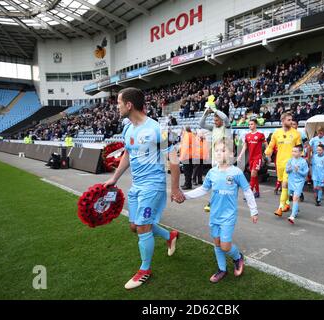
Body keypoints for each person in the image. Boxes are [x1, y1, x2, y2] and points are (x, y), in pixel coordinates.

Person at [104, 87, 184, 289]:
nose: (117, 107)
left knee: (142, 227)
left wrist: (175, 189)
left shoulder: (157, 129)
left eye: (119, 103)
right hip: (136, 185)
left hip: (153, 185)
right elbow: (128, 154)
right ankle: (170, 236)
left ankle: (145, 270)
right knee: (134, 226)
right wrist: (114, 178)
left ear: (129, 105)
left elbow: (173, 160)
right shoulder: (127, 129)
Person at [183, 138, 258, 283]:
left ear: (231, 153)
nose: (218, 153)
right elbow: (203, 189)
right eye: (216, 150)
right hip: (214, 214)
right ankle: (222, 269)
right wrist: (185, 196)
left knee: (225, 246)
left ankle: (238, 257)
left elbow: (248, 191)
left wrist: (253, 211)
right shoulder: (212, 172)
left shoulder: (236, 172)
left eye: (223, 150)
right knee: (217, 244)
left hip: (228, 216)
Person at [265, 112, 302, 216]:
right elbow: (271, 146)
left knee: (285, 184)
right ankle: (287, 203)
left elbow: (300, 148)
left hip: (291, 163)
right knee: (283, 184)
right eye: (289, 120)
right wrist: (267, 154)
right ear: (283, 121)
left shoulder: (296, 133)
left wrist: (300, 161)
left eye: (291, 120)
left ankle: (280, 207)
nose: (291, 122)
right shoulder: (276, 133)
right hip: (279, 162)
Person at [199, 95, 232, 212]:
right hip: (214, 158)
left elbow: (226, 118)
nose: (215, 122)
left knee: (221, 182)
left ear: (221, 120)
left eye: (217, 120)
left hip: (224, 160)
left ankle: (214, 202)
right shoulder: (213, 128)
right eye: (214, 120)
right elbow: (201, 124)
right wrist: (206, 113)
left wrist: (214, 110)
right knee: (217, 182)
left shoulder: (227, 127)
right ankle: (217, 202)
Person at [237, 118, 267, 198]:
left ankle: (249, 194)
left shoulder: (260, 135)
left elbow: (266, 145)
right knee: (254, 175)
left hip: (258, 157)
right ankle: (257, 192)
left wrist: (267, 154)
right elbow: (245, 146)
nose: (250, 126)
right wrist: (240, 155)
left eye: (252, 124)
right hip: (251, 158)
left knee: (253, 173)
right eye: (249, 124)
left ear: (255, 124)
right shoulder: (247, 136)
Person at [286, 146, 309, 224]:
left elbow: (305, 173)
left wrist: (298, 170)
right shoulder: (290, 160)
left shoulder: (303, 162)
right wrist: (289, 169)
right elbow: (287, 171)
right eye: (292, 151)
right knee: (291, 196)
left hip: (299, 182)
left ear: (300, 152)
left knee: (295, 198)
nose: (293, 153)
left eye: (295, 151)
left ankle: (292, 216)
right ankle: (296, 209)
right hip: (291, 181)